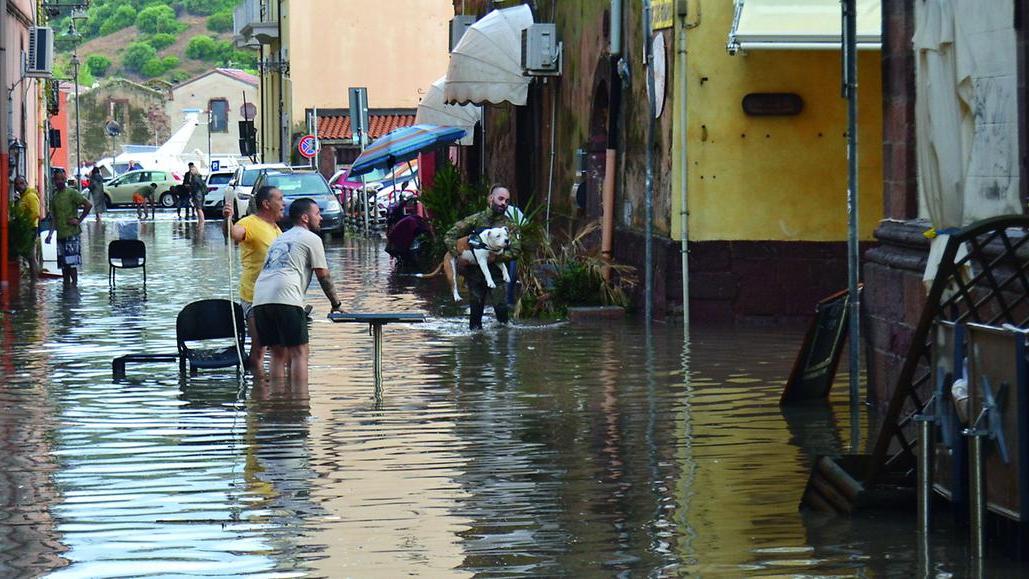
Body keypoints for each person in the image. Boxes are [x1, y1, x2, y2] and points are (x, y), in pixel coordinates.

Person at [252, 198, 343, 383]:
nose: (321, 218)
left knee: (277, 354)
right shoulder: (311, 238)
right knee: (299, 353)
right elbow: (323, 275)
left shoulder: (279, 239)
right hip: (286, 298)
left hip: (260, 299)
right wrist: (336, 304)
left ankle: (278, 406)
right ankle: (300, 406)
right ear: (305, 218)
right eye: (317, 214)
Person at [444, 184, 522, 330]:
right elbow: (449, 235)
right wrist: (458, 256)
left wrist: (496, 258)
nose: (504, 203)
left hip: (497, 275)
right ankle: (476, 349)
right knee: (475, 318)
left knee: (501, 312)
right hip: (474, 275)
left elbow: (516, 250)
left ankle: (503, 347)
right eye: (500, 199)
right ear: (491, 199)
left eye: (507, 201)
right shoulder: (475, 220)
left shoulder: (510, 226)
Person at [224, 185, 284, 375]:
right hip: (254, 297)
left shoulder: (276, 229)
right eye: (280, 200)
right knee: (259, 347)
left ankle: (276, 395)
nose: (283, 204)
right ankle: (258, 396)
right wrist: (227, 219)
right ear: (266, 204)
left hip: (276, 297)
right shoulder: (249, 223)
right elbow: (233, 233)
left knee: (279, 348)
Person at [45, 168, 92, 286]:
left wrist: (79, 220)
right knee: (63, 265)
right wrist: (50, 235)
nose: (59, 181)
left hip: (72, 235)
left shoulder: (72, 193)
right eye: (57, 180)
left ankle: (74, 287)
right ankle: (66, 289)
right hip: (60, 235)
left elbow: (88, 204)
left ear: (65, 179)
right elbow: (54, 218)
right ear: (54, 181)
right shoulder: (54, 197)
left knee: (71, 264)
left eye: (62, 179)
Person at [14, 176, 41, 277]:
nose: (19, 186)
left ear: (26, 183)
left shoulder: (30, 196)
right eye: (17, 184)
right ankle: (33, 278)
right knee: (29, 256)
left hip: (30, 229)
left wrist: (25, 223)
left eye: (21, 183)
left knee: (31, 257)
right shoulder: (22, 197)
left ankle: (34, 280)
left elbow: (36, 213)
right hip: (24, 228)